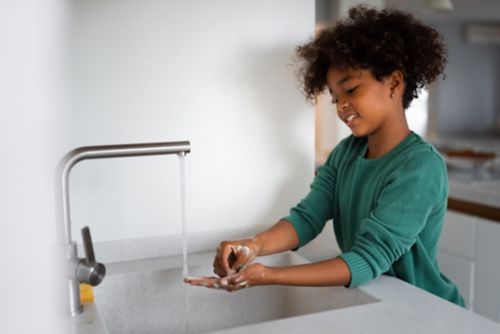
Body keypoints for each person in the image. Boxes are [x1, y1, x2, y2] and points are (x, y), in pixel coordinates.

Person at [185, 5, 465, 307]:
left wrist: (268, 275)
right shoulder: (346, 153)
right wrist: (252, 246)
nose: (341, 106)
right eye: (335, 97)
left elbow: (367, 260)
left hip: (425, 309)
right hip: (376, 301)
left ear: (395, 83)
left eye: (351, 90)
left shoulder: (420, 167)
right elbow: (307, 218)